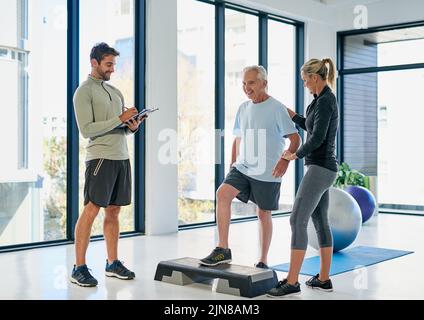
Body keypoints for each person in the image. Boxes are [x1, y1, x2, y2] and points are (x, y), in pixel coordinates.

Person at [200, 65, 301, 268]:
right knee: (223, 193)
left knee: (263, 213)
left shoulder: (277, 108)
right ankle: (223, 249)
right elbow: (238, 138)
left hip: (268, 171)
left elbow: (295, 138)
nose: (247, 88)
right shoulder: (243, 108)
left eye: (251, 83)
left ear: (264, 83)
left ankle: (263, 259)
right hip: (243, 168)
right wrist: (232, 164)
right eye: (244, 83)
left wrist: (285, 160)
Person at [71, 42, 145, 287]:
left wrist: (131, 126)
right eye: (108, 64)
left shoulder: (115, 91)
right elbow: (86, 130)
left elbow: (117, 127)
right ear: (94, 62)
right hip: (100, 159)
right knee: (91, 209)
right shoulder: (83, 92)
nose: (112, 69)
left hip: (121, 157)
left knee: (114, 210)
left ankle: (112, 263)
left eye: (114, 64)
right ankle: (78, 267)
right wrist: (118, 118)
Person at [267, 58, 339, 298]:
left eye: (306, 80)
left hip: (320, 168)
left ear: (315, 78)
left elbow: (317, 139)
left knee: (296, 220)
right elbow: (310, 127)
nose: (305, 84)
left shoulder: (327, 101)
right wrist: (289, 113)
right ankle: (324, 279)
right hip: (323, 169)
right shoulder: (319, 100)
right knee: (319, 221)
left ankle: (292, 281)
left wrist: (293, 155)